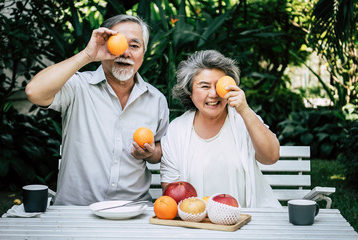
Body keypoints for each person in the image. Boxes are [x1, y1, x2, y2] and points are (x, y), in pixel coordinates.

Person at [25, 15, 169, 205]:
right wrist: (87, 55)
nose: (125, 52)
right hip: (76, 210)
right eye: (119, 44)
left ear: (143, 53)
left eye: (134, 46)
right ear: (105, 47)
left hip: (134, 209)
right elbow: (34, 92)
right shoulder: (78, 87)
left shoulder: (156, 99)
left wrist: (150, 154)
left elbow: (161, 149)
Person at [160, 50, 281, 208]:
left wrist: (244, 110)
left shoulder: (243, 120)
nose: (214, 94)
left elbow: (271, 157)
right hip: (196, 223)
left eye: (219, 86)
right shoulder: (177, 130)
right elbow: (171, 191)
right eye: (204, 86)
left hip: (245, 221)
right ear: (189, 91)